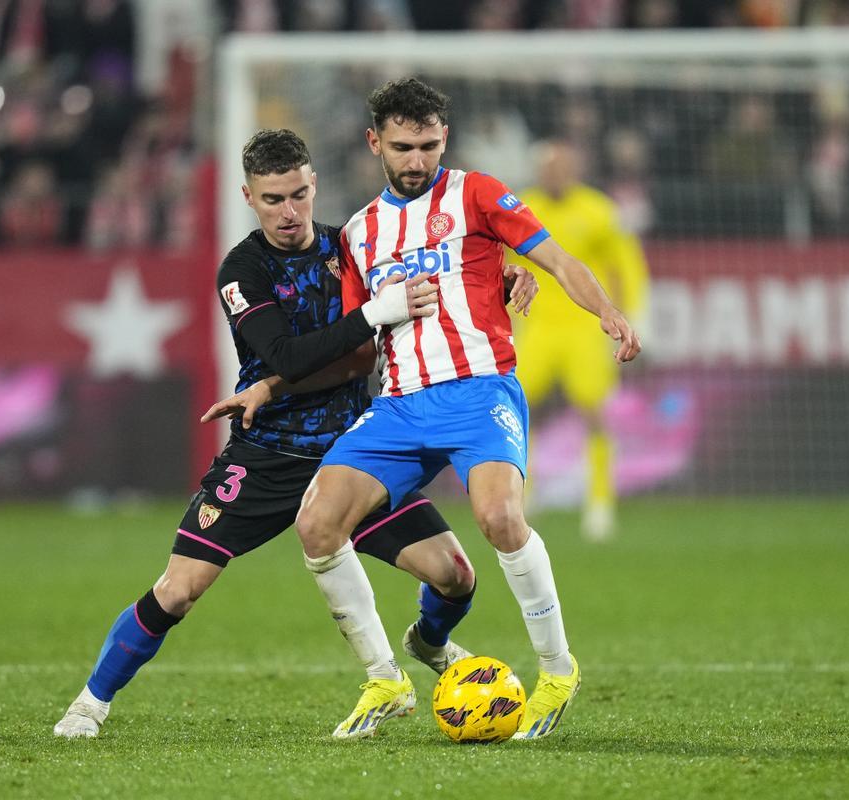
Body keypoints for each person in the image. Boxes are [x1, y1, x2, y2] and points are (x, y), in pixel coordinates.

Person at [53, 128, 537, 739]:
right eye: (274, 199)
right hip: (267, 455)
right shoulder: (242, 271)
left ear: (315, 187)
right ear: (250, 198)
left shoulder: (353, 247)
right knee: (179, 590)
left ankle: (430, 646)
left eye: (300, 195)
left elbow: (425, 301)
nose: (290, 212)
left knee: (456, 576)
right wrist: (365, 319)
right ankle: (89, 703)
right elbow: (284, 352)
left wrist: (510, 278)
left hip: (353, 453)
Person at [292, 78, 640, 741]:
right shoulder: (360, 233)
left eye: (428, 145)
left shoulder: (478, 194)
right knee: (316, 524)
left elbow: (559, 259)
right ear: (375, 144)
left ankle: (557, 668)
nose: (417, 160)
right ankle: (385, 679)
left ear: (443, 138)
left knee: (501, 516)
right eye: (402, 147)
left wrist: (609, 313)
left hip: (479, 391)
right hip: (397, 404)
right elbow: (352, 341)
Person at [509, 139, 650, 540]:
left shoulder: (599, 211)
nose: (555, 175)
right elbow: (503, 264)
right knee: (518, 407)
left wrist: (629, 315)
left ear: (574, 170)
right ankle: (525, 493)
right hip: (535, 325)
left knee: (593, 412)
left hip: (585, 327)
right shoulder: (521, 208)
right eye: (548, 168)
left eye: (562, 167)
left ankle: (600, 501)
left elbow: (625, 265)